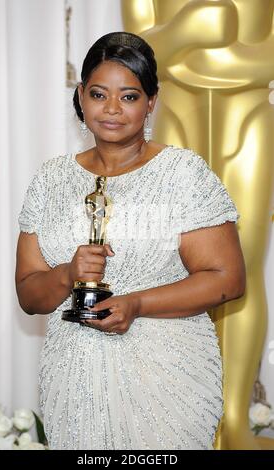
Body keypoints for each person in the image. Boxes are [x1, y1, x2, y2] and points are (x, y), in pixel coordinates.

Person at [15, 31, 246, 450]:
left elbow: (226, 278)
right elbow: (30, 295)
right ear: (81, 95)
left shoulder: (182, 173)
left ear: (151, 101)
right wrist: (68, 273)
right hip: (74, 375)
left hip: (168, 377)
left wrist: (136, 304)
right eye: (100, 94)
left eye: (129, 96)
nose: (112, 110)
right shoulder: (50, 179)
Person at [123, 0, 274, 450]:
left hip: (250, 117)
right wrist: (188, 29)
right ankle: (181, 418)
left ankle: (233, 418)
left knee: (241, 268)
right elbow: (136, 52)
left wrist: (210, 55)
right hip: (175, 116)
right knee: (172, 272)